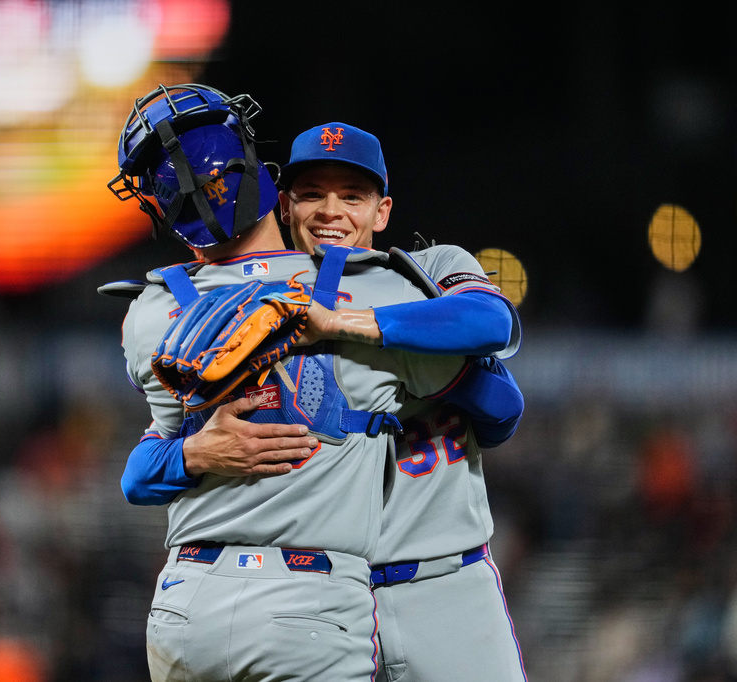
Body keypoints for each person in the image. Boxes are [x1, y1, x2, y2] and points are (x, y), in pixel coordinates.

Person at [122, 120, 529, 681]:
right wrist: (197, 452)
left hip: (441, 583)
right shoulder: (251, 313)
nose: (330, 211)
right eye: (311, 194)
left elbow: (501, 386)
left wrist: (363, 337)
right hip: (322, 589)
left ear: (381, 212)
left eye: (352, 196)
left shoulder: (420, 275)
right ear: (283, 207)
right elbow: (140, 473)